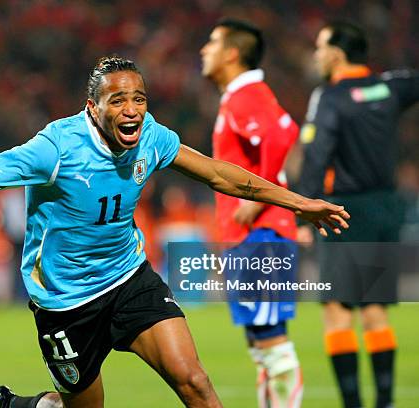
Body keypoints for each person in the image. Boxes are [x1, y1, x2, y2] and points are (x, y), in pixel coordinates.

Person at [0, 56, 350, 408]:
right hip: (65, 301)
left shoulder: (153, 139)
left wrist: (298, 201)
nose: (132, 110)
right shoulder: (54, 149)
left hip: (130, 278)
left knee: (196, 384)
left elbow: (220, 174)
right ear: (93, 107)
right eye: (118, 100)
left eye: (139, 98)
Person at [297, 21, 419, 408]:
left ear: (336, 52)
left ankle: (353, 404)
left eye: (320, 46)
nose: (316, 54)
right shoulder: (388, 87)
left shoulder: (329, 97)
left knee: (337, 313)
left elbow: (316, 157)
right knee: (376, 312)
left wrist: (304, 214)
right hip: (386, 207)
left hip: (344, 213)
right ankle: (385, 402)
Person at [201, 19, 303, 407]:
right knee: (261, 343)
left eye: (212, 42)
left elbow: (283, 133)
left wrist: (258, 198)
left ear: (231, 53)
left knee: (272, 341)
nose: (203, 50)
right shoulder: (236, 96)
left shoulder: (247, 94)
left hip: (262, 236)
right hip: (248, 237)